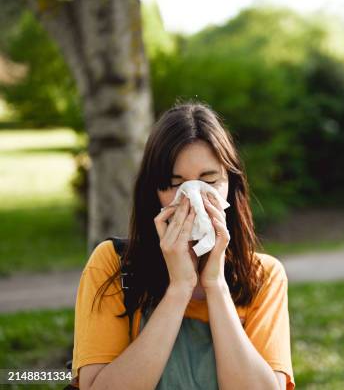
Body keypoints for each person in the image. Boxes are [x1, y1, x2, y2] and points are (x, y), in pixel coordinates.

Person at [69, 102, 295, 389]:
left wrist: (215, 285)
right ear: (154, 193)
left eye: (209, 180)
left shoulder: (262, 275)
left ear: (231, 184)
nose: (193, 197)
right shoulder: (113, 264)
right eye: (175, 184)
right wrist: (180, 287)